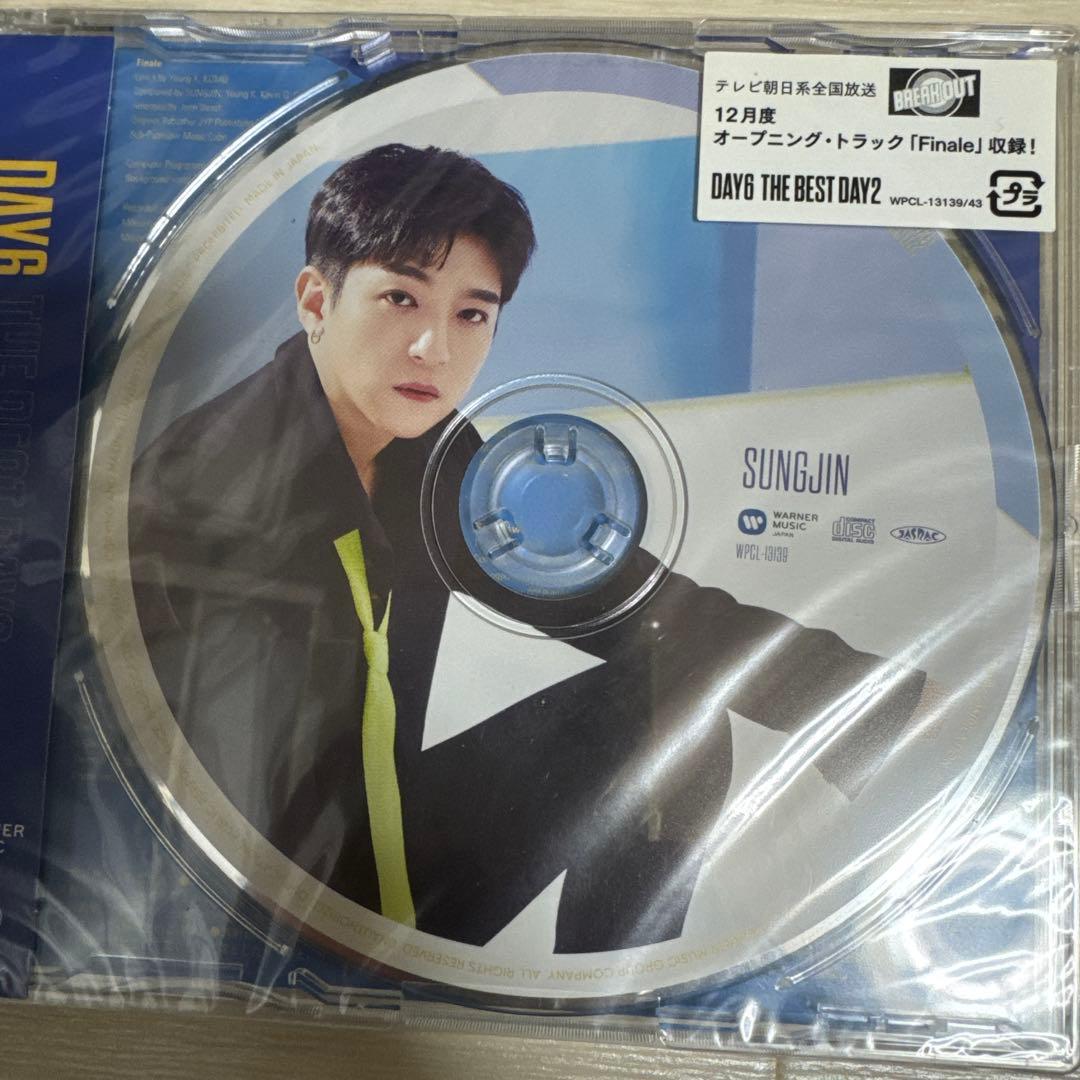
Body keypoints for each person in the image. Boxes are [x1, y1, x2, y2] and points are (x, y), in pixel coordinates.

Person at [128, 143, 931, 954]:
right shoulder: (205, 490)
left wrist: (865, 701)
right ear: (315, 299)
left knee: (663, 695)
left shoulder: (425, 454)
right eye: (401, 298)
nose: (435, 349)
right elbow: (178, 782)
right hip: (262, 903)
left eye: (471, 314)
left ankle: (600, 1003)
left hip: (394, 837)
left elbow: (612, 599)